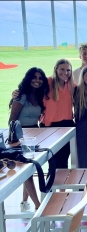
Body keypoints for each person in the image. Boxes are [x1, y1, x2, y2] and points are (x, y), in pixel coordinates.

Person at [9, 67, 49, 212]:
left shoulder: (38, 95)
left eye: (40, 78)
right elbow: (12, 121)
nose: (37, 81)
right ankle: (39, 206)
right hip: (21, 138)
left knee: (30, 169)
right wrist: (18, 141)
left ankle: (24, 203)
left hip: (34, 135)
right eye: (35, 77)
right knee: (27, 170)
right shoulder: (21, 95)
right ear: (28, 78)